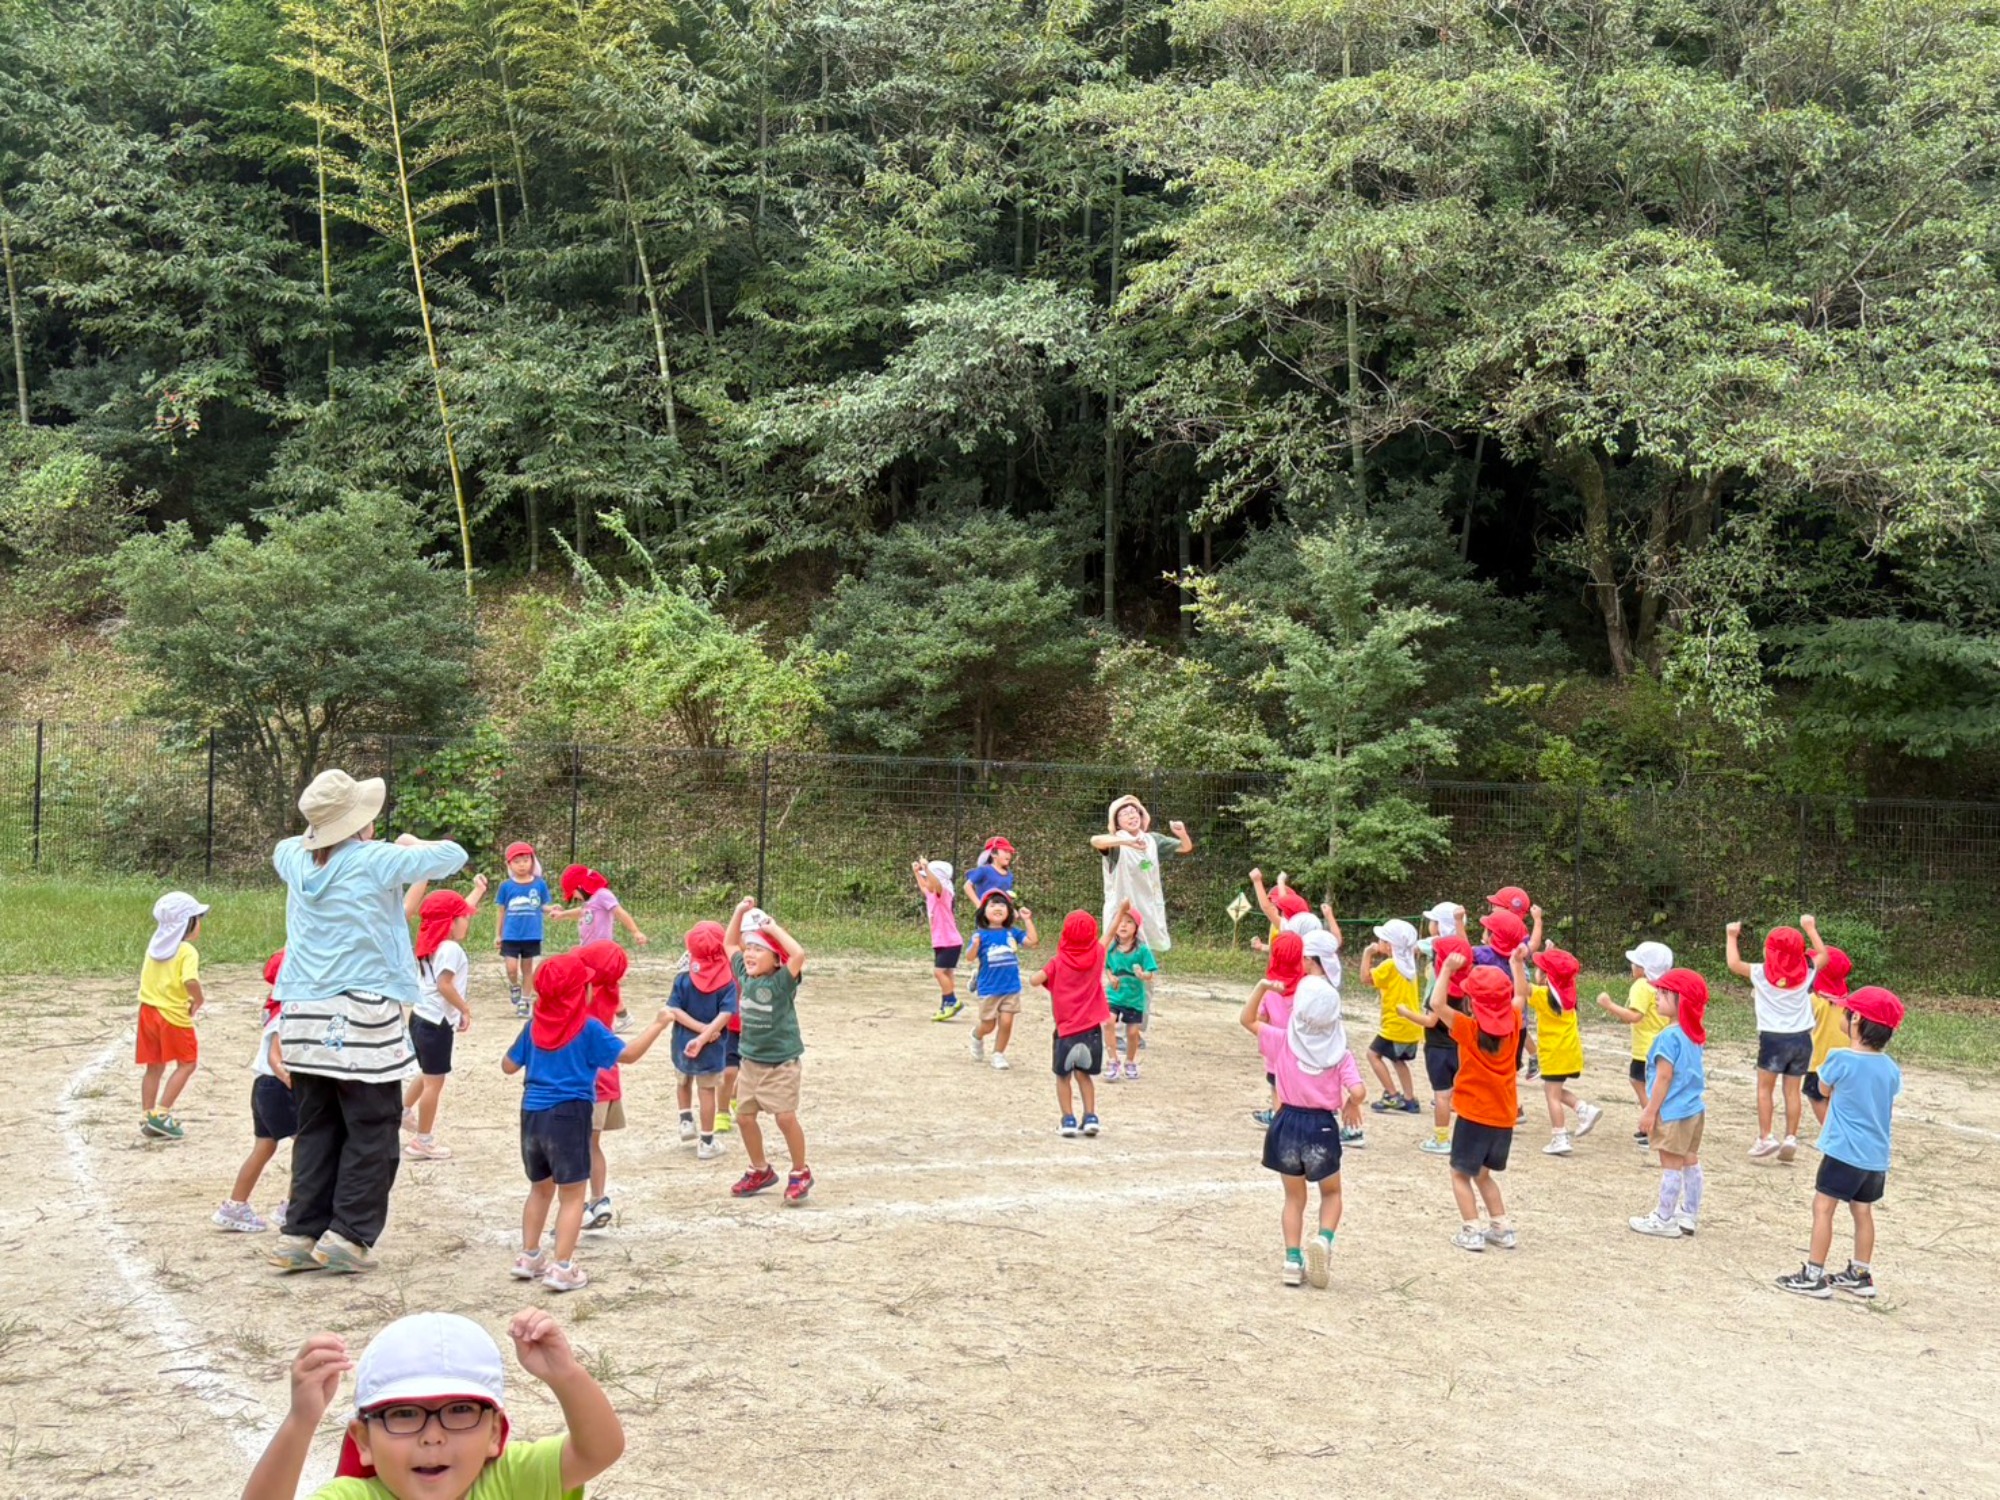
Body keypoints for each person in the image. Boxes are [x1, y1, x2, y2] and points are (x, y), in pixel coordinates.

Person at [269, 770, 467, 1275]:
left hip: (301, 1013)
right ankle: (349, 1233)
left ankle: (301, 1231)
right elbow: (453, 856)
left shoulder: (292, 857)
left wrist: (333, 831)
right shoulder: (375, 860)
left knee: (317, 1125)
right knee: (373, 1124)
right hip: (361, 1010)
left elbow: (293, 842)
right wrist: (410, 843)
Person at [240, 1308, 628, 1499]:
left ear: (496, 1432)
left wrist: (566, 1375)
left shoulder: (510, 1479)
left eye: (460, 1410)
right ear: (363, 1441)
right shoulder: (356, 1497)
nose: (432, 1436)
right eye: (404, 1414)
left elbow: (599, 1450)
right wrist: (301, 1420)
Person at [504, 955, 669, 1291]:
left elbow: (508, 1065)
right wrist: (658, 1023)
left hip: (532, 1114)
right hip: (570, 1115)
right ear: (577, 993)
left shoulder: (534, 1025)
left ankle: (530, 1256)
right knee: (573, 1195)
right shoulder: (589, 1028)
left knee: (540, 1189)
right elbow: (630, 1055)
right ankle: (562, 1268)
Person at [1777, 986, 1906, 1300]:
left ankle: (1813, 1274)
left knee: (1823, 1208)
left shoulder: (1839, 1058)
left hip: (1844, 1151)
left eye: (1847, 1011)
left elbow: (1823, 1089)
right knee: (1863, 1212)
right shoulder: (1890, 1068)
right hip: (1875, 1156)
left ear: (1857, 1019)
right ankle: (1860, 1274)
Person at [1241, 944, 1349, 1289]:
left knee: (1293, 1198)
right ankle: (1324, 1239)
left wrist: (1261, 987)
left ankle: (1291, 1260)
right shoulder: (1339, 1052)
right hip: (1322, 1126)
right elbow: (1358, 1091)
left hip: (1285, 1124)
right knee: (1330, 1192)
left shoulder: (1283, 1041)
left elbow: (1247, 1020)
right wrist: (1354, 1104)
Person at [1426, 950, 1525, 1252]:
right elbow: (1521, 995)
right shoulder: (1515, 1023)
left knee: (1459, 1174)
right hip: (1504, 1118)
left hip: (1473, 1117)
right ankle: (1502, 1226)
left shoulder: (1468, 1029)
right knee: (1483, 1174)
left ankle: (1471, 1229)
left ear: (1472, 1003)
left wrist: (1445, 970)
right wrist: (1516, 964)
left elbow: (1436, 1004)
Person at [724, 900, 814, 1203]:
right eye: (748, 947)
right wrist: (739, 913)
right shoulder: (745, 976)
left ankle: (801, 1171)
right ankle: (760, 1169)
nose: (749, 952)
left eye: (758, 949)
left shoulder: (782, 981)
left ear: (776, 959)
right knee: (745, 1117)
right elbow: (728, 942)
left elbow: (798, 954)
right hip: (750, 1062)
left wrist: (771, 927)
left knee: (785, 1118)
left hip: (781, 1064)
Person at [400, 877, 487, 1163]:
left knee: (426, 1074)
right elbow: (445, 985)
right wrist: (465, 1009)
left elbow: (453, 911)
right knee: (434, 1084)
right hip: (437, 1023)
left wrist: (477, 892)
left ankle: (400, 1110)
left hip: (420, 1017)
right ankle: (422, 1142)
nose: (468, 922)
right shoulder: (451, 950)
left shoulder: (431, 941)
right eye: (464, 918)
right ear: (451, 922)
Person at [1726, 918, 1819, 1162]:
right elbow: (1824, 955)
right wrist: (1810, 928)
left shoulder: (1759, 973)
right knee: (1793, 1091)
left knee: (1765, 1088)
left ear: (1769, 950)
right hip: (1802, 1039)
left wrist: (1731, 936)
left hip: (1773, 1040)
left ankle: (1766, 1137)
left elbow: (1733, 963)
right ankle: (1791, 1137)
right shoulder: (1807, 972)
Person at [214, 949, 294, 1233]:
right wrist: (292, 1080)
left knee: (265, 1144)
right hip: (279, 1085)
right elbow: (278, 1056)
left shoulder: (275, 1006)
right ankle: (293, 1206)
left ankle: (236, 1205)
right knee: (308, 1144)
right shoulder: (289, 1009)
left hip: (263, 1085)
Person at [1628, 968, 1711, 1238]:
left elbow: (1664, 1076)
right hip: (1693, 1109)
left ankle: (1664, 1218)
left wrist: (1649, 1112)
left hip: (1672, 1111)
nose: (1656, 998)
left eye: (1663, 994)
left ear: (1681, 1001)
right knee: (1690, 1160)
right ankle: (1689, 1214)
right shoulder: (1693, 1033)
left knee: (1671, 1165)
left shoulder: (1668, 1037)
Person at [1033, 908, 1120, 1138]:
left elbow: (1034, 980)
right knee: (1085, 1076)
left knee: (1063, 1077)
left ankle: (1068, 1119)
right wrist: (1121, 911)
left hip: (1066, 1032)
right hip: (1091, 1031)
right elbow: (1109, 934)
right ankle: (1090, 1116)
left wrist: (1045, 975)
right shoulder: (1097, 956)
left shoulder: (1058, 962)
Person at [136, 889, 209, 1140]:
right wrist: (198, 999)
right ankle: (162, 1113)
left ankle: (147, 1114)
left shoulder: (154, 946)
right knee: (187, 1063)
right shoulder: (186, 951)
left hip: (147, 1012)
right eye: (198, 918)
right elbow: (190, 980)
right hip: (173, 1016)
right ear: (188, 923)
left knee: (153, 1066)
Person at [663, 921, 738, 1161]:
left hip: (683, 1042)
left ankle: (685, 1120)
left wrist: (698, 1030)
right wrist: (707, 1034)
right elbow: (726, 1014)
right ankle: (706, 1142)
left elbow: (674, 1009)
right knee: (707, 1091)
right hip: (712, 1047)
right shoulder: (726, 980)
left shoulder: (683, 977)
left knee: (682, 1080)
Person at [574, 941, 635, 1229]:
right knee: (592, 1144)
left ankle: (576, 1209)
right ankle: (598, 1199)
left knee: (578, 1145)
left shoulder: (584, 993)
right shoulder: (610, 988)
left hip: (587, 1080)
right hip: (608, 1075)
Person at [1092, 796, 1194, 954]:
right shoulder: (1115, 843)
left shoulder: (1152, 840)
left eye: (1134, 811)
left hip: (1147, 905)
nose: (1132, 815)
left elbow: (1185, 847)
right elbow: (1095, 841)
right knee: (1118, 950)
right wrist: (1128, 842)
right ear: (1117, 823)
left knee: (1144, 950)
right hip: (1122, 906)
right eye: (1125, 813)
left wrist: (1182, 834)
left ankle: (1139, 975)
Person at [1596, 940, 1673, 1149]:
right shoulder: (1665, 986)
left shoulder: (1641, 986)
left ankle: (1653, 1127)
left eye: (1636, 964)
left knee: (1641, 1084)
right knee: (1648, 1085)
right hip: (1661, 1045)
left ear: (1644, 968)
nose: (1633, 967)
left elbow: (1634, 1016)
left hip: (1645, 1049)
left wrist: (1609, 1005)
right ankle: (1653, 1125)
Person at [1402, 933, 1475, 1156]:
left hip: (1439, 1049)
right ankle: (1465, 1139)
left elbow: (1431, 1020)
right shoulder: (1470, 987)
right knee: (1463, 1095)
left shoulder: (1440, 992)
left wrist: (1406, 1014)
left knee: (1442, 1095)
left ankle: (1442, 1139)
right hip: (1462, 1048)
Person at [1528, 946, 1603, 1154]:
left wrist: (1516, 964)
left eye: (1540, 968)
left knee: (1551, 1095)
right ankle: (1583, 1109)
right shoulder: (1567, 992)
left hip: (1555, 1053)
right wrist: (1551, 954)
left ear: (1546, 977)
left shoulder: (1544, 995)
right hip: (1569, 1051)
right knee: (1555, 1090)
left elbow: (1523, 989)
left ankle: (1559, 1137)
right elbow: (1564, 974)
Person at [553, 865, 648, 1027]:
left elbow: (619, 912)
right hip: (587, 951)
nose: (574, 897)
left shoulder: (603, 895)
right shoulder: (590, 901)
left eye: (573, 892)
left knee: (593, 984)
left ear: (581, 886)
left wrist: (636, 931)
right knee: (596, 984)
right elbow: (581, 912)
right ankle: (620, 1016)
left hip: (601, 952)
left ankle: (589, 1017)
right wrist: (562, 915)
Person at [968, 891, 1037, 1070]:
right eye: (992, 905)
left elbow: (1032, 942)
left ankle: (998, 1054)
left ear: (1008, 911)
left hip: (1011, 987)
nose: (997, 908)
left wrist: (1028, 919)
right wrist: (974, 946)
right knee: (988, 1025)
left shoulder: (1012, 932)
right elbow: (969, 957)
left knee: (1006, 1022)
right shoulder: (980, 935)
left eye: (1002, 905)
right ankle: (976, 1035)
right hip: (989, 987)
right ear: (983, 911)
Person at [1361, 919, 1425, 1115]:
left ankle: (1392, 1095)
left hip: (1395, 1024)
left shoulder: (1390, 965)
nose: (1379, 942)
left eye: (1382, 940)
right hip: (1411, 1025)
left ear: (1389, 945)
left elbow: (1365, 979)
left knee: (1373, 1055)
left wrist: (1367, 954)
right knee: (1398, 1061)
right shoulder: (1409, 965)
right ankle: (1409, 1099)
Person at [494, 842, 559, 1017]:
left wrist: (552, 909)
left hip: (531, 934)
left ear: (532, 861)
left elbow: (541, 906)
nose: (522, 864)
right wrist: (498, 935)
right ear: (509, 865)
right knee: (511, 968)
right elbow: (501, 911)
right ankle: (514, 985)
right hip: (511, 935)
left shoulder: (539, 884)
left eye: (525, 860)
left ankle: (525, 1000)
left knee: (528, 968)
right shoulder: (506, 886)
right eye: (517, 861)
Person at [1249, 931, 1307, 1126]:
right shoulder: (1308, 986)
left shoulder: (1271, 989)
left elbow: (1260, 1019)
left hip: (1278, 1052)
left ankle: (1279, 1120)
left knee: (1277, 1090)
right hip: (1305, 1053)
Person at [1802, 916, 1852, 1125]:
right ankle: (1837, 1125)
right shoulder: (1849, 1002)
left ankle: (1830, 1129)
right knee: (1835, 1096)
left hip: (1820, 1063)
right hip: (1846, 1062)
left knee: (1815, 1095)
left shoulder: (1815, 1000)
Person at [1102, 907, 1157, 1081]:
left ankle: (1130, 1061)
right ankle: (1112, 1060)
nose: (1123, 925)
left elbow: (1151, 972)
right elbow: (1107, 968)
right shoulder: (1111, 948)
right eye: (1120, 921)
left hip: (1134, 998)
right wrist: (1111, 978)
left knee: (1132, 1033)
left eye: (1129, 922)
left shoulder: (1142, 951)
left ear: (1136, 927)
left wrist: (1143, 975)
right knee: (1107, 1021)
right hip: (1115, 994)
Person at [914, 858, 964, 1021]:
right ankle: (946, 1004)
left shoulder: (943, 894)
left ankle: (951, 1001)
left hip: (949, 941)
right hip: (942, 941)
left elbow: (935, 884)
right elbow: (924, 886)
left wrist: (927, 868)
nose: (926, 880)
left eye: (928, 877)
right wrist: (917, 872)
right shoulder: (931, 895)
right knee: (947, 973)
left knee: (939, 972)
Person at [964, 836, 1017, 910]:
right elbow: (967, 886)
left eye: (1010, 852)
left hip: (1003, 916)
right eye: (1005, 851)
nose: (1008, 854)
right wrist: (978, 904)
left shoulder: (1009, 875)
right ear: (993, 853)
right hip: (985, 916)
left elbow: (1008, 895)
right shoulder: (984, 870)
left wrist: (1012, 910)